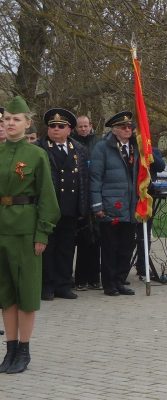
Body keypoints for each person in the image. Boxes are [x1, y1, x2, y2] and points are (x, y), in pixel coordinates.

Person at [0, 96, 60, 374]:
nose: (10, 123)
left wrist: (43, 233)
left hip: (26, 229)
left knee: (26, 292)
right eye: (7, 119)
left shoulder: (36, 155)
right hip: (1, 229)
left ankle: (24, 350)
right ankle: (9, 349)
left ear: (27, 123)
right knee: (6, 293)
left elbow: (47, 197)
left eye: (16, 119)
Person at [36, 108, 90, 300]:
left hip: (70, 208)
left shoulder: (79, 150)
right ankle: (47, 286)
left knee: (67, 248)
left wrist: (83, 207)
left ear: (70, 129)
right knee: (48, 249)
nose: (56, 129)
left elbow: (84, 180)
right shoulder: (40, 148)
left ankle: (63, 285)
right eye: (52, 126)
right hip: (49, 208)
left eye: (61, 126)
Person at [90, 111, 140, 296]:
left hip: (130, 206)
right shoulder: (102, 148)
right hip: (111, 205)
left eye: (130, 127)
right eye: (123, 127)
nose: (128, 130)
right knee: (110, 248)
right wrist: (97, 206)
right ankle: (109, 284)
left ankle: (120, 280)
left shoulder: (136, 147)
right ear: (114, 129)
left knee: (126, 248)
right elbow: (95, 178)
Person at [72, 115, 102, 291]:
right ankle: (81, 278)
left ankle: (95, 277)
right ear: (76, 128)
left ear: (91, 126)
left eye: (86, 126)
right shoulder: (73, 143)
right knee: (83, 239)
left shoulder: (98, 144)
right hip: (80, 194)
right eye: (80, 126)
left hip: (95, 194)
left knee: (96, 239)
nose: (83, 129)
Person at [133, 146, 166, 280]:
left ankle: (142, 265)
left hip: (147, 197)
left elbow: (160, 166)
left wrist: (149, 152)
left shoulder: (152, 149)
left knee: (144, 233)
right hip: (131, 195)